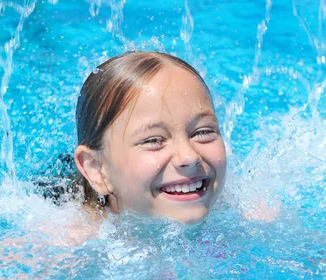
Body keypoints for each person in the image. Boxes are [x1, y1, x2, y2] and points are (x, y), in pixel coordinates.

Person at [43, 51, 227, 224]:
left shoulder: (245, 217)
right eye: (153, 140)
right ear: (97, 168)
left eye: (203, 132)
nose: (189, 157)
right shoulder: (66, 248)